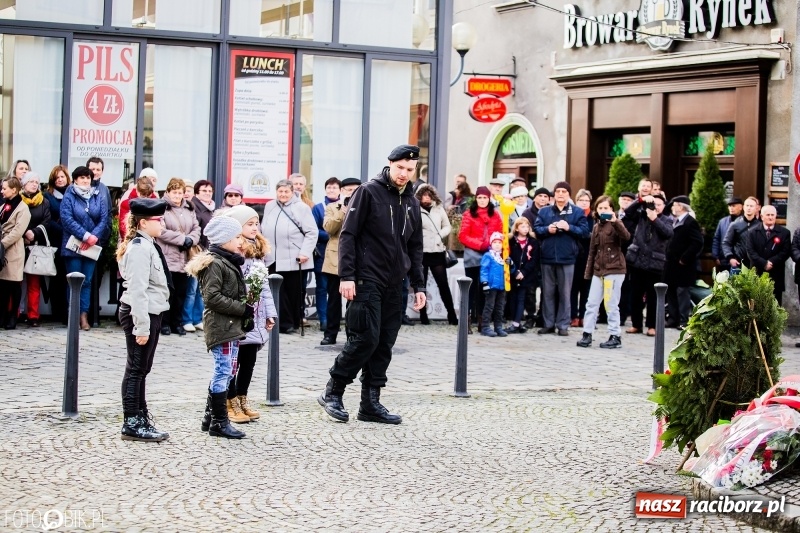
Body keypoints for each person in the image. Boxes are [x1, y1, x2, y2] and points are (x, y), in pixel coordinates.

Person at [318, 144, 425, 425]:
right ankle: (333, 391)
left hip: (396, 283)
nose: (404, 174)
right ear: (390, 164)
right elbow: (348, 235)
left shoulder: (412, 202)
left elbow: (415, 247)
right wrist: (347, 276)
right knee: (366, 338)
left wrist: (419, 285)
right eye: (400, 167)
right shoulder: (368, 192)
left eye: (409, 169)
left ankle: (370, 403)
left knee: (385, 343)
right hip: (366, 278)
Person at [185, 215, 251, 440]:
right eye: (237, 237)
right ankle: (219, 422)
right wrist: (241, 309)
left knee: (228, 369)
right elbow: (212, 297)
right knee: (223, 370)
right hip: (221, 326)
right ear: (224, 240)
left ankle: (209, 417)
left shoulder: (226, 260)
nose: (241, 241)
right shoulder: (214, 263)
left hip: (230, 325)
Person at [116, 198, 171, 442]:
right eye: (158, 220)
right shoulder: (140, 248)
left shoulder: (148, 245)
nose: (162, 224)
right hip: (142, 313)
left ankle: (140, 415)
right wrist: (141, 326)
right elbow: (138, 291)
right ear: (143, 223)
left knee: (142, 368)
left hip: (152, 311)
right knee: (136, 368)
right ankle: (132, 421)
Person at [223, 205, 277, 424]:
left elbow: (264, 285)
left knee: (249, 360)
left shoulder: (257, 250)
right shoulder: (234, 250)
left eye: (256, 224)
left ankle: (243, 398)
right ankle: (230, 401)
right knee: (232, 361)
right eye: (250, 224)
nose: (255, 228)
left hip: (256, 313)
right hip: (238, 313)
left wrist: (269, 314)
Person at [260, 179, 318, 333]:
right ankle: (279, 323)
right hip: (273, 257)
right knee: (276, 292)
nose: (283, 194)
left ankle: (291, 323)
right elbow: (263, 228)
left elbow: (312, 232)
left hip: (295, 257)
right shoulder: (269, 206)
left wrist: (305, 252)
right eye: (280, 191)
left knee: (293, 292)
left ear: (292, 192)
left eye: (286, 191)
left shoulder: (301, 207)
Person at [533, 181, 589, 336]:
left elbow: (584, 232)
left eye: (564, 191)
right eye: (558, 191)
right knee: (548, 292)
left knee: (565, 293)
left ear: (569, 194)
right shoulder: (545, 212)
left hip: (567, 257)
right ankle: (548, 323)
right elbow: (536, 229)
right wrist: (547, 229)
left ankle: (563, 325)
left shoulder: (577, 212)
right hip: (547, 257)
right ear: (554, 194)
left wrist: (568, 227)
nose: (560, 194)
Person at [576, 196, 630, 349]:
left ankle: (615, 335)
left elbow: (626, 237)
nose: (602, 211)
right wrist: (589, 272)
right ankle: (587, 334)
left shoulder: (616, 224)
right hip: (599, 270)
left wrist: (615, 221)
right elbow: (592, 251)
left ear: (612, 209)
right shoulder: (596, 227)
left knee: (611, 304)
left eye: (606, 208)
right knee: (591, 303)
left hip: (614, 269)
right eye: (600, 208)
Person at [60, 166, 109, 331]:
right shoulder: (69, 196)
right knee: (74, 281)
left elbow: (103, 217)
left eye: (88, 178)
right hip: (73, 246)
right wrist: (85, 235)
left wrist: (94, 236)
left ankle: (84, 316)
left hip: (92, 246)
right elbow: (66, 219)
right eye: (82, 178)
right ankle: (73, 315)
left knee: (87, 281)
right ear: (75, 179)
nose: (86, 180)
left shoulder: (97, 195)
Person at [156, 178, 200, 336]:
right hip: (168, 256)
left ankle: (177, 322)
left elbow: (196, 228)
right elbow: (161, 231)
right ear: (168, 192)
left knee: (182, 292)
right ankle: (164, 323)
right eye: (174, 192)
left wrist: (191, 240)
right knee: (168, 292)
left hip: (184, 257)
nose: (177, 196)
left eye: (180, 193)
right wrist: (183, 239)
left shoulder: (189, 208)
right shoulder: (162, 208)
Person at [320, 177, 361, 345]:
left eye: (355, 190)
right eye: (348, 190)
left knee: (354, 301)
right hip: (335, 260)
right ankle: (330, 334)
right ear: (342, 191)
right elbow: (329, 228)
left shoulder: (365, 207)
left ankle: (352, 334)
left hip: (357, 260)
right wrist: (343, 211)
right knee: (334, 301)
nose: (351, 193)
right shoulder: (332, 207)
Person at [625, 193, 672, 336]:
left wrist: (655, 219)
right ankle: (636, 324)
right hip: (637, 261)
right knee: (635, 295)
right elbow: (627, 212)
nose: (655, 207)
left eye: (658, 204)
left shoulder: (667, 220)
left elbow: (668, 233)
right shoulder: (641, 215)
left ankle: (652, 326)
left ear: (663, 206)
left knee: (653, 297)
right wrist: (640, 200)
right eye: (653, 204)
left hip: (655, 264)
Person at [458, 186, 502, 331]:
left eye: (485, 197)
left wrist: (490, 245)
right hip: (473, 255)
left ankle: (483, 321)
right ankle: (467, 321)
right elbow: (463, 235)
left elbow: (499, 233)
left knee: (485, 290)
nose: (482, 200)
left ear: (489, 199)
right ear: (476, 199)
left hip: (489, 255)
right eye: (480, 197)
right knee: (470, 290)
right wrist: (480, 244)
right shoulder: (469, 214)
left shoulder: (495, 215)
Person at [415, 183, 457, 325]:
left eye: (429, 195)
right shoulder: (415, 209)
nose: (426, 198)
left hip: (437, 251)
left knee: (443, 285)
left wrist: (440, 235)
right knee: (421, 286)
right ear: (419, 196)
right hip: (421, 252)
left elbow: (447, 226)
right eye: (424, 195)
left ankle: (452, 315)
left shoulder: (438, 209)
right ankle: (423, 316)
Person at [664, 196, 703, 329]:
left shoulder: (690, 222)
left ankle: (683, 320)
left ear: (680, 207)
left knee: (682, 292)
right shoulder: (674, 221)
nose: (672, 208)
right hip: (671, 264)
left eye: (674, 205)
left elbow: (698, 242)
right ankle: (673, 319)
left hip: (683, 265)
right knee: (671, 291)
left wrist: (685, 258)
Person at [19, 172, 51, 327]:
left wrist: (34, 232)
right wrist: (23, 233)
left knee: (33, 282)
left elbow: (47, 221)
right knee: (15, 281)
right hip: (18, 244)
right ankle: (15, 313)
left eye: (36, 182)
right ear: (23, 184)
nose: (34, 184)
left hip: (36, 245)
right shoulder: (17, 200)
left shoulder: (43, 202)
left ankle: (33, 315)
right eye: (30, 181)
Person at [184, 180, 215, 332]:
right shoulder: (195, 207)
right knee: (192, 288)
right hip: (197, 252)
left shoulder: (211, 209)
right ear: (197, 193)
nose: (208, 193)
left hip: (208, 253)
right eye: (204, 191)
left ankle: (197, 318)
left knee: (201, 289)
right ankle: (187, 319)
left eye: (210, 191)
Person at [0, 176, 31, 329]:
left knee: (13, 284)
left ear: (14, 189)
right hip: (2, 249)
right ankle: (3, 315)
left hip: (13, 250)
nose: (2, 191)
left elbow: (18, 231)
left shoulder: (23, 208)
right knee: (3, 285)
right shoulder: (4, 206)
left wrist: (2, 243)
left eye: (4, 188)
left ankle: (13, 316)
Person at [744, 205, 791, 305]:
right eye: (768, 215)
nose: (770, 217)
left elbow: (785, 251)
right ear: (762, 216)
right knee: (757, 305)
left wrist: (772, 262)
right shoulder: (752, 232)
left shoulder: (784, 233)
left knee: (775, 305)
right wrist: (763, 263)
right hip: (757, 272)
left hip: (776, 274)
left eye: (772, 215)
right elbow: (750, 251)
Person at [43, 165, 71, 324]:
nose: (60, 180)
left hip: (71, 242)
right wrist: (62, 228)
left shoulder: (72, 194)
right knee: (57, 277)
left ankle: (68, 311)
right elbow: (47, 219)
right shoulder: (48, 196)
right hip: (55, 240)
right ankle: (58, 312)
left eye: (62, 177)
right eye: (57, 177)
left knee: (69, 277)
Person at [312, 177, 340, 332]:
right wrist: (331, 235)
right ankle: (324, 319)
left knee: (337, 291)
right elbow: (314, 230)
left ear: (339, 190)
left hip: (340, 255)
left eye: (334, 187)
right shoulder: (318, 208)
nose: (331, 190)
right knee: (322, 288)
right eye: (329, 187)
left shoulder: (345, 206)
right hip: (322, 254)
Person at [506, 217, 538, 334]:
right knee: (512, 299)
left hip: (526, 276)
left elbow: (533, 260)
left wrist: (523, 272)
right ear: (517, 228)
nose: (525, 229)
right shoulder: (511, 242)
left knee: (521, 299)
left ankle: (516, 323)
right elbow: (508, 257)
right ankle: (516, 321)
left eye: (527, 226)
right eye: (522, 226)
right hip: (513, 275)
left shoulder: (533, 242)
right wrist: (514, 272)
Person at [570, 189, 593, 328]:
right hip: (574, 255)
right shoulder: (573, 215)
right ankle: (573, 316)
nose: (584, 203)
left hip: (589, 256)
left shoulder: (594, 217)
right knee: (573, 288)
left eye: (586, 200)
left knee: (586, 288)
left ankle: (583, 316)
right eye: (581, 200)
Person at [480, 232, 509, 337]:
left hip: (502, 286)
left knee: (500, 307)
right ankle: (485, 327)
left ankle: (498, 327)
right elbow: (484, 270)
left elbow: (510, 270)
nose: (497, 244)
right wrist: (484, 282)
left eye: (499, 242)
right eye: (495, 242)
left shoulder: (504, 256)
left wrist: (511, 264)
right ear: (491, 244)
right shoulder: (488, 256)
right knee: (489, 306)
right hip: (491, 286)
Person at [723, 196, 760, 270]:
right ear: (743, 207)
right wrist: (730, 258)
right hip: (738, 263)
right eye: (747, 205)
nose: (749, 208)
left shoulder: (760, 226)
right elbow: (726, 243)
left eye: (751, 206)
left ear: (756, 208)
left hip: (755, 265)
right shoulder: (735, 224)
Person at [712, 197, 743, 271]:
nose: (731, 208)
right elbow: (716, 239)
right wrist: (715, 256)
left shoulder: (744, 222)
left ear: (741, 207)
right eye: (730, 206)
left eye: (734, 206)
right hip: (724, 260)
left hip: (740, 261)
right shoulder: (722, 222)